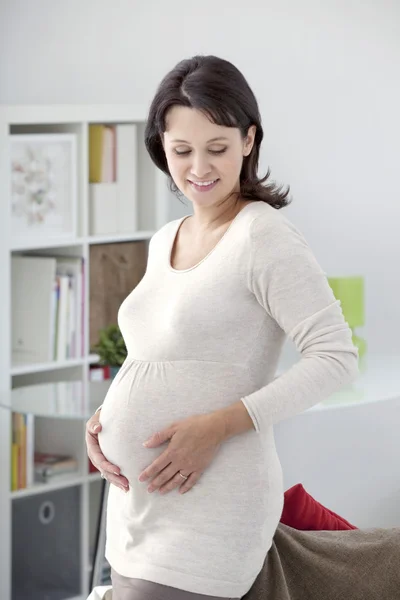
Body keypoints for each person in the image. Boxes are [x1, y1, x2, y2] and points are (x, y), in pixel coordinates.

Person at [85, 55, 359, 600]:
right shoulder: (167, 237)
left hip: (211, 508)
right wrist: (103, 422)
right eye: (181, 150)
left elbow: (336, 358)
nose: (198, 168)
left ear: (249, 140)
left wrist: (218, 425)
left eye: (217, 148)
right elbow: (159, 353)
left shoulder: (263, 236)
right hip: (136, 509)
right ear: (160, 145)